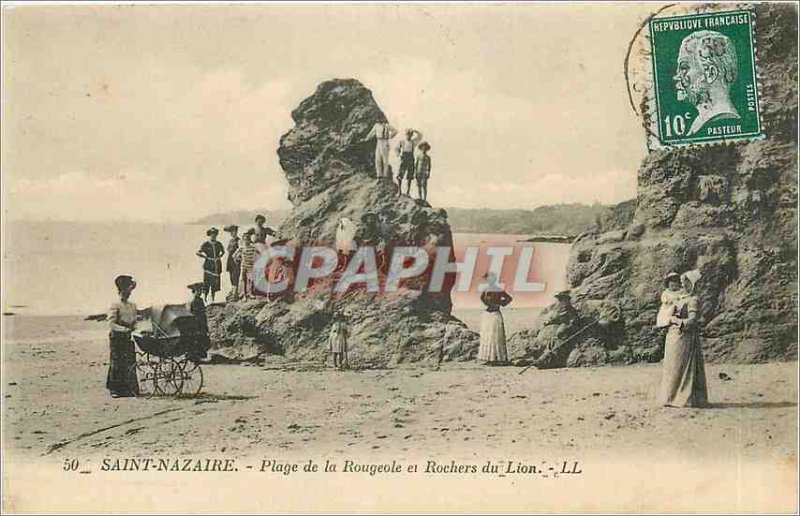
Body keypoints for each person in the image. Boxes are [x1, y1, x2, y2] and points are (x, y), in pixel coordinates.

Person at [674, 30, 741, 135]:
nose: (677, 77)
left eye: (684, 68)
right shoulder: (701, 122)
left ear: (710, 73)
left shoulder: (719, 119)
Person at [658, 269, 709, 408]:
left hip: (685, 336)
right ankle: (670, 397)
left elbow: (692, 320)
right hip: (672, 336)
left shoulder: (693, 299)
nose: (682, 285)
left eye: (685, 282)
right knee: (672, 367)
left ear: (691, 284)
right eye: (682, 282)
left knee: (681, 367)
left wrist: (676, 321)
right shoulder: (678, 298)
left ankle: (684, 398)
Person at [107, 275, 139, 398]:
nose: (129, 293)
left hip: (128, 337)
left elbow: (135, 321)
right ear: (121, 291)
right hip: (117, 338)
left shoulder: (132, 305)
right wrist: (124, 329)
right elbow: (111, 323)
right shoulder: (115, 305)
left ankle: (129, 389)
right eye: (127, 291)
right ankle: (115, 390)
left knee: (130, 362)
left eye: (130, 290)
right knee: (117, 362)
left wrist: (134, 328)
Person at [478, 273, 513, 365]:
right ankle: (488, 358)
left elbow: (509, 298)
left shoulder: (498, 289)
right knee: (487, 336)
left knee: (495, 337)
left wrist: (501, 303)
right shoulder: (485, 290)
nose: (488, 281)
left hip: (495, 314)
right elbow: (482, 298)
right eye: (487, 279)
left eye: (490, 279)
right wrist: (488, 304)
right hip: (487, 315)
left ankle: (498, 359)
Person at [196, 227, 225, 303]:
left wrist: (219, 257)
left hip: (217, 266)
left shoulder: (219, 244)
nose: (213, 236)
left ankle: (213, 299)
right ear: (209, 235)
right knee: (207, 283)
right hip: (208, 266)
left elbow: (223, 252)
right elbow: (198, 252)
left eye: (215, 234)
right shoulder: (206, 244)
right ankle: (205, 299)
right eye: (212, 234)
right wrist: (206, 257)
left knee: (215, 284)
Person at [186, 282, 211, 363]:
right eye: (198, 291)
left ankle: (199, 356)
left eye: (201, 291)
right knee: (196, 340)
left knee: (202, 340)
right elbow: (190, 314)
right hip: (196, 324)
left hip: (201, 323)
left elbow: (203, 314)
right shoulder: (192, 301)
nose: (200, 292)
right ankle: (194, 357)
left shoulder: (200, 300)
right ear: (194, 291)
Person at [396, 128, 422, 193]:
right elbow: (397, 148)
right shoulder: (402, 142)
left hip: (410, 157)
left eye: (410, 135)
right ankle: (399, 190)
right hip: (404, 157)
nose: (409, 136)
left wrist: (415, 131)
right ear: (405, 135)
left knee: (410, 175)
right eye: (407, 135)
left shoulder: (413, 142)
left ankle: (408, 191)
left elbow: (420, 136)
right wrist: (398, 154)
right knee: (400, 174)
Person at [224, 225, 241, 300]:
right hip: (230, 258)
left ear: (236, 231)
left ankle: (235, 293)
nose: (232, 233)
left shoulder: (239, 240)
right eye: (231, 232)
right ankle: (233, 291)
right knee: (231, 274)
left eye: (233, 231)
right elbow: (228, 250)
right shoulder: (231, 240)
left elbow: (240, 250)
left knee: (235, 275)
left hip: (236, 259)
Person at [238, 228, 256, 300]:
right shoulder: (241, 248)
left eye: (247, 239)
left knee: (251, 280)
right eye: (244, 239)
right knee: (244, 280)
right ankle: (244, 295)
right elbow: (234, 256)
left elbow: (257, 255)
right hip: (243, 266)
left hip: (251, 266)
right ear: (243, 240)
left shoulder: (253, 248)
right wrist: (240, 260)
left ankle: (250, 293)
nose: (246, 241)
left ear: (249, 240)